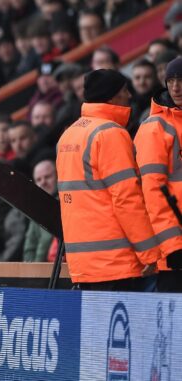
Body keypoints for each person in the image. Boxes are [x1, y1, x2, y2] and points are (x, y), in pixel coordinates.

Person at [56, 69, 160, 291]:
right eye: (124, 90)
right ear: (112, 95)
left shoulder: (69, 135)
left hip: (84, 263)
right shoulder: (111, 134)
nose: (130, 96)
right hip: (116, 262)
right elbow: (126, 200)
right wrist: (150, 254)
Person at [134, 57, 182, 292]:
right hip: (175, 254)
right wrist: (173, 246)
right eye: (171, 80)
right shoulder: (155, 127)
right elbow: (153, 191)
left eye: (181, 80)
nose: (176, 87)